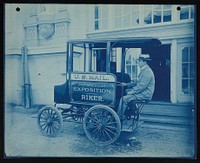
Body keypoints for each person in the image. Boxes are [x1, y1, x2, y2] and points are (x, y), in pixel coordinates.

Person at [117, 54, 155, 119]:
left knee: (123, 99)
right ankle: (134, 112)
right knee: (126, 91)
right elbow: (138, 82)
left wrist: (131, 92)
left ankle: (118, 117)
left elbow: (141, 86)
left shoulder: (147, 72)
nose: (138, 62)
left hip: (145, 94)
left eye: (139, 61)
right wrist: (126, 84)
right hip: (143, 92)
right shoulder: (144, 70)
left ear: (144, 62)